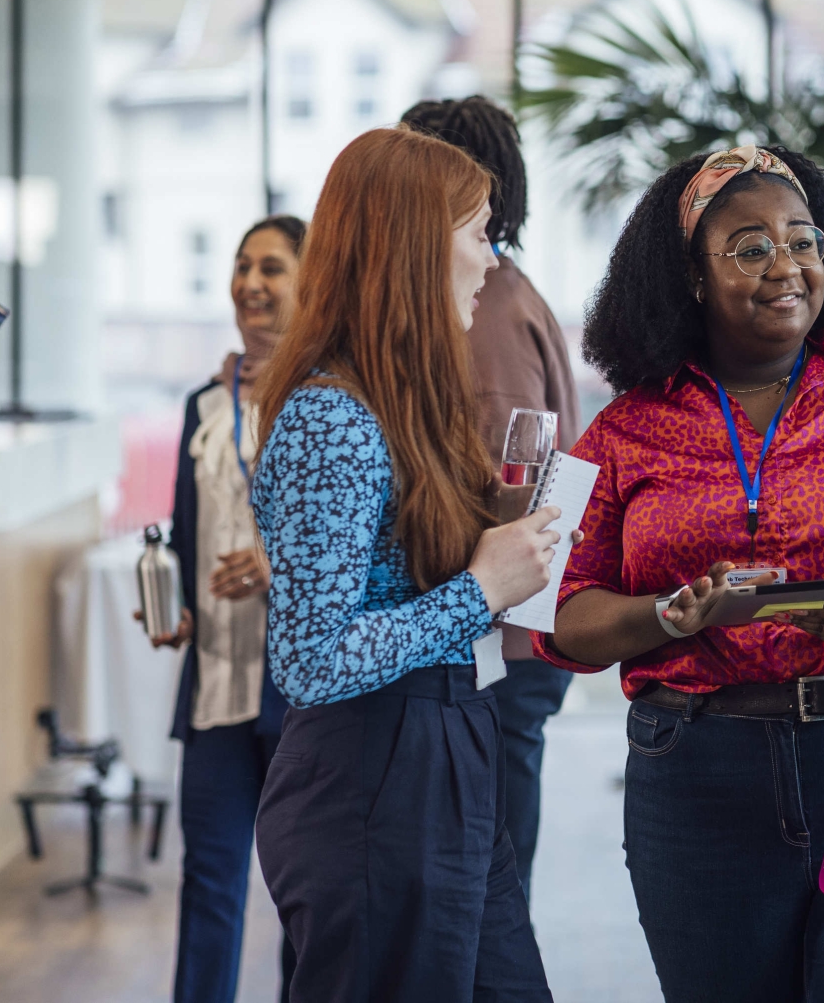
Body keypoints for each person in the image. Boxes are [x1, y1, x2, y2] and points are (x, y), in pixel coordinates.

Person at [537, 145, 824, 1003]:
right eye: (749, 246)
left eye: (802, 240)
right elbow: (558, 610)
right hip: (700, 773)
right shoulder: (625, 430)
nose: (785, 265)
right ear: (692, 277)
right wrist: (671, 617)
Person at [251, 126, 564, 1002]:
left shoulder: (402, 408)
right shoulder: (332, 420)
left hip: (443, 755)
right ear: (415, 250)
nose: (491, 263)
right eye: (478, 235)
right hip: (372, 780)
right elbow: (311, 661)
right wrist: (479, 591)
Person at [402, 95, 577, 900]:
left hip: (495, 641)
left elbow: (506, 488)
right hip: (495, 631)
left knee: (482, 897)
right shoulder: (501, 293)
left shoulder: (484, 310)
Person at [155, 214, 305, 1003]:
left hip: (298, 682)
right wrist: (176, 603)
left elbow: (363, 534)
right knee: (207, 880)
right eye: (243, 265)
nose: (252, 283)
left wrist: (278, 565)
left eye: (273, 268)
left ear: (310, 284)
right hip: (214, 675)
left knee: (301, 896)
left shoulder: (330, 402)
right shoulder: (203, 405)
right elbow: (188, 530)